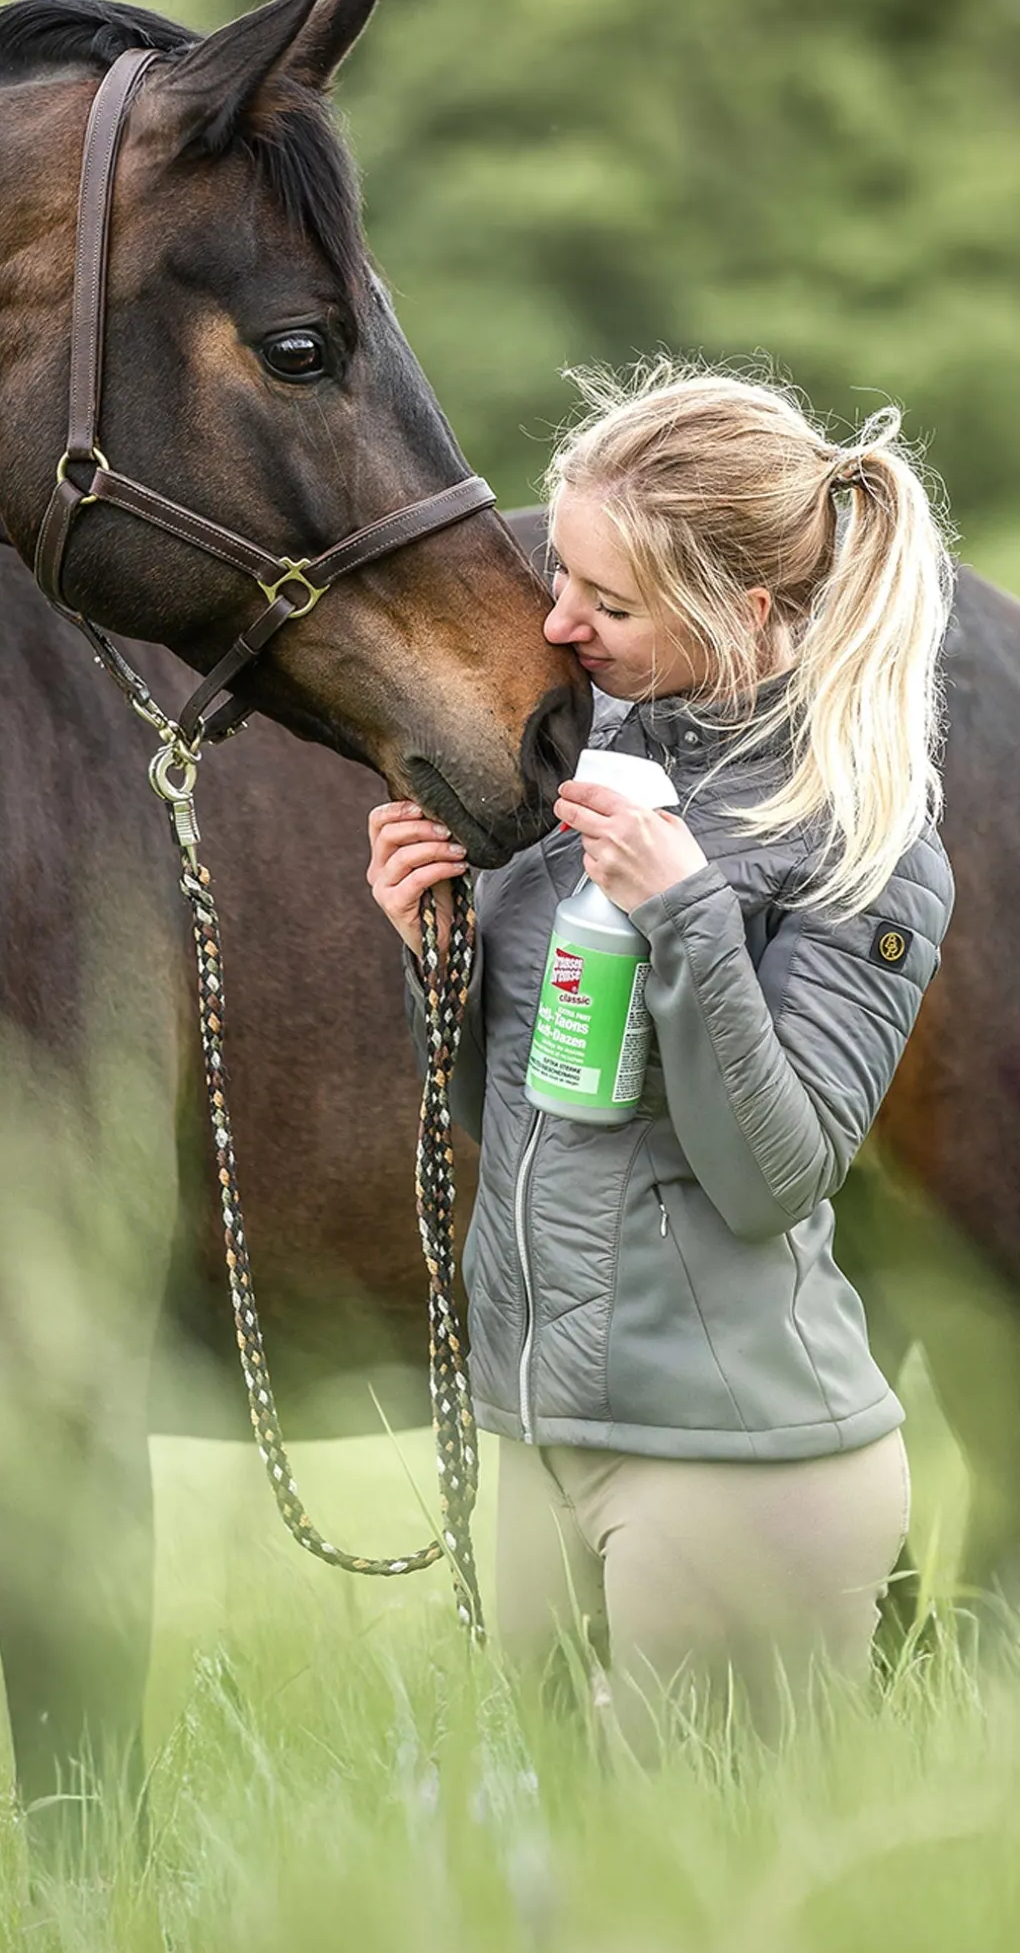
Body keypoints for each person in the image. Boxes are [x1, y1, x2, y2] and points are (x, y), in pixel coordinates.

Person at [367, 364, 956, 1742]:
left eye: (611, 603)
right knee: (553, 1851)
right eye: (559, 577)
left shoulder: (859, 841)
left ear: (741, 610)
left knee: (703, 1859)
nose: (558, 626)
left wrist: (685, 912)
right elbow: (506, 1110)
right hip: (545, 1431)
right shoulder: (574, 777)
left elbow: (772, 1178)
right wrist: (434, 948)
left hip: (737, 1455)